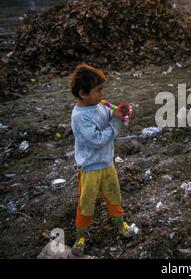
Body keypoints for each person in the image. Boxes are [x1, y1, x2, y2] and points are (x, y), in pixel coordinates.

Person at [68, 63, 134, 256]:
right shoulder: (79, 117)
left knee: (114, 195)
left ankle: (120, 222)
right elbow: (98, 139)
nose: (102, 94)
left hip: (107, 163)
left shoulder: (99, 105)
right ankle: (81, 234)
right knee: (86, 201)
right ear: (83, 93)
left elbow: (110, 118)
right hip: (90, 168)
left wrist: (120, 114)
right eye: (98, 90)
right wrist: (115, 122)